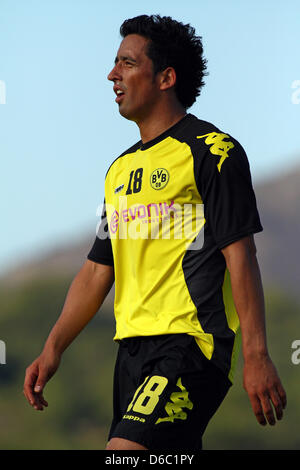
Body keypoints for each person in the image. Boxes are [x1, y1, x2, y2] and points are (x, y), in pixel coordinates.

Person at [23, 14, 287, 451]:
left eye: (127, 63)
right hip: (129, 355)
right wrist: (52, 349)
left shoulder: (212, 152)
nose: (112, 75)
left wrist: (256, 354)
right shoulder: (119, 170)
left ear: (166, 77)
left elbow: (241, 256)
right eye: (115, 63)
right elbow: (96, 272)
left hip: (189, 345)